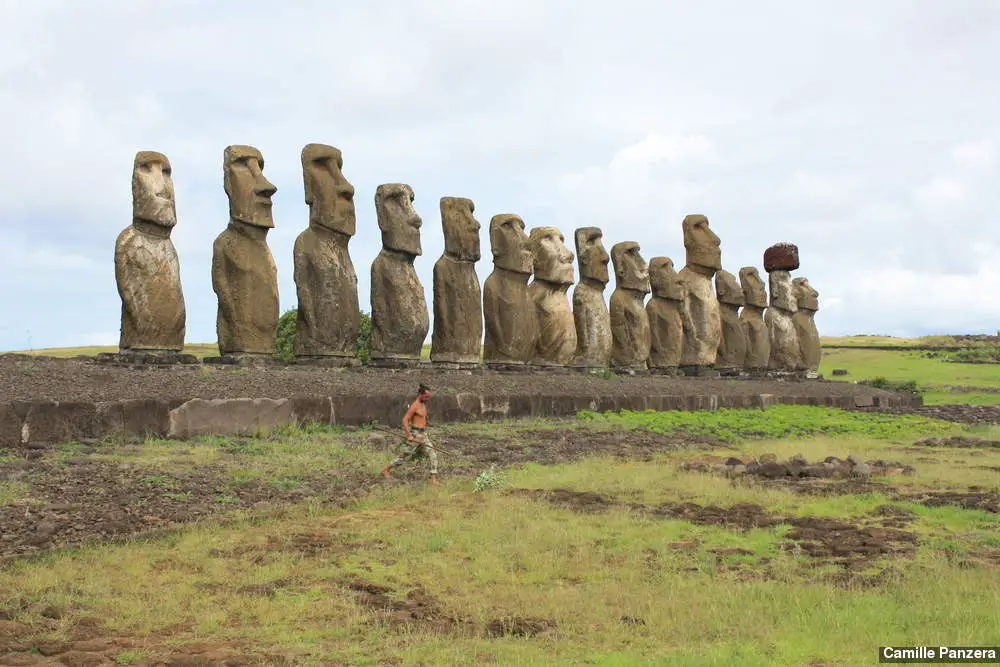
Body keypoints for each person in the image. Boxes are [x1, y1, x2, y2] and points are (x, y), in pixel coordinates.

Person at [381, 384, 441, 485]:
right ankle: (386, 470)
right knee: (404, 455)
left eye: (429, 397)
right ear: (420, 395)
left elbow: (422, 418)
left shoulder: (423, 404)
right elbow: (404, 420)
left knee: (433, 454)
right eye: (426, 396)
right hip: (415, 434)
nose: (428, 398)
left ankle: (433, 479)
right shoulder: (415, 405)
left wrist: (426, 422)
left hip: (423, 435)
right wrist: (409, 435)